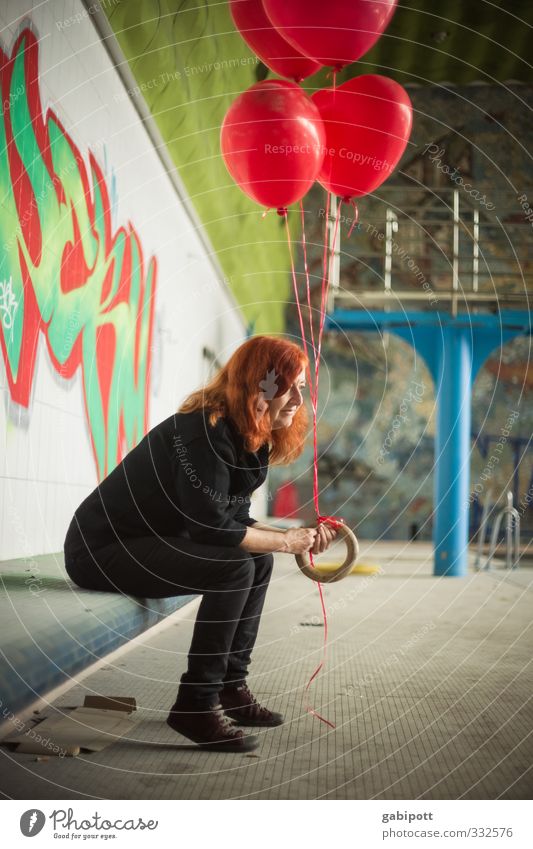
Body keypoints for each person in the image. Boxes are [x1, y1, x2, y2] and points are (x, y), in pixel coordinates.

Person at [63, 335, 338, 752]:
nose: (301, 398)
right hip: (101, 550)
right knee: (235, 568)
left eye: (303, 386)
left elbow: (233, 520)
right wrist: (286, 541)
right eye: (291, 385)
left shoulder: (246, 435)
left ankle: (231, 686)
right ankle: (196, 703)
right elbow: (212, 530)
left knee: (257, 560)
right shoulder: (203, 433)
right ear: (260, 385)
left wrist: (289, 540)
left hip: (150, 542)